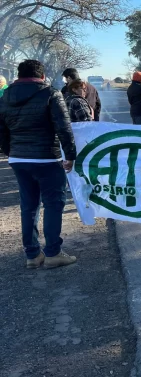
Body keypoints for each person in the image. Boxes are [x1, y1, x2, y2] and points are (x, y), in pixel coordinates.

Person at [0, 59, 78, 269]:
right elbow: (64, 127)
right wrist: (70, 155)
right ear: (42, 76)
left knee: (29, 206)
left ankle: (32, 255)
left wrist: (11, 152)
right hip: (47, 158)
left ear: (18, 75)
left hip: (18, 158)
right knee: (53, 203)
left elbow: (2, 129)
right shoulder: (51, 93)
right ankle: (53, 253)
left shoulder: (6, 95)